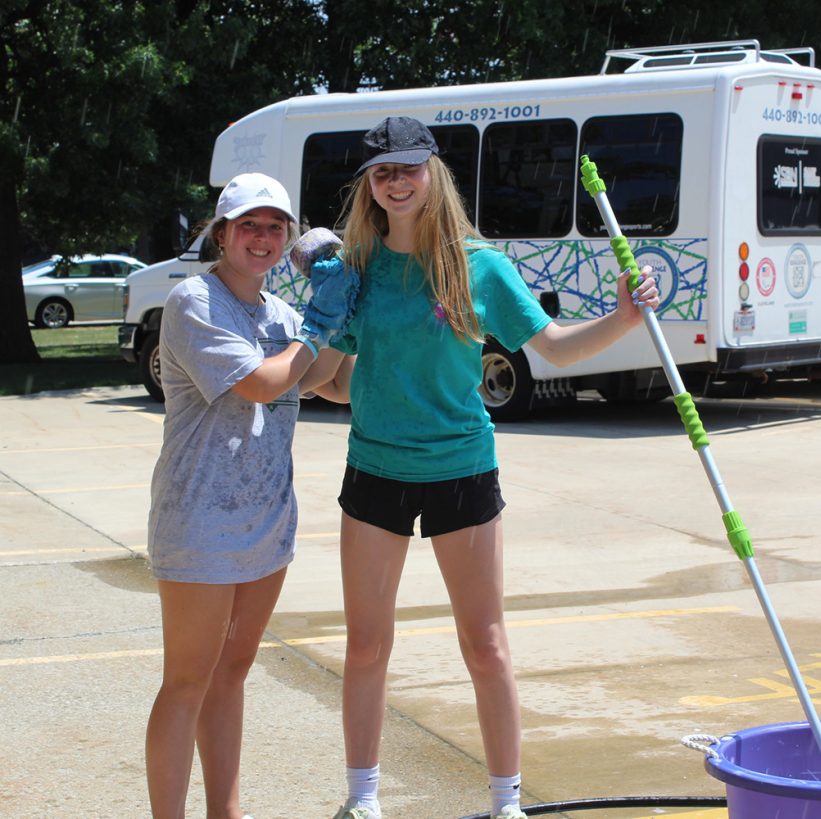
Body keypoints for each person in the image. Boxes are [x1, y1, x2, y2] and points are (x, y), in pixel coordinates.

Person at [307, 117, 660, 819]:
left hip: (462, 468)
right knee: (368, 642)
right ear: (369, 187)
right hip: (374, 469)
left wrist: (622, 318)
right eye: (382, 173)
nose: (396, 182)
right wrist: (310, 325)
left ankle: (507, 805)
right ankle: (363, 799)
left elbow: (555, 349)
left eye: (408, 168)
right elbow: (330, 381)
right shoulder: (357, 270)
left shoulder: (480, 266)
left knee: (485, 642)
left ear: (433, 173)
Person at [144, 172, 355, 819]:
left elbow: (334, 385)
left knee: (231, 674)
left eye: (275, 227)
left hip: (266, 524)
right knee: (187, 680)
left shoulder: (281, 315)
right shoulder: (193, 303)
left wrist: (351, 314)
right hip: (200, 525)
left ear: (287, 236)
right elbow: (265, 382)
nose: (262, 239)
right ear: (222, 233)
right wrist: (320, 323)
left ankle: (224, 811)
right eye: (249, 226)